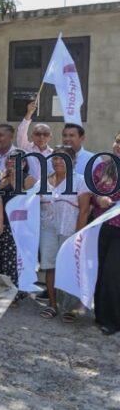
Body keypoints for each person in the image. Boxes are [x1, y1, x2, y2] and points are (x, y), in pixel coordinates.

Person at [38, 146, 92, 322]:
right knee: (50, 266)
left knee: (69, 268)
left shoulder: (80, 181)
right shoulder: (43, 182)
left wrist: (78, 236)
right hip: (48, 230)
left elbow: (84, 211)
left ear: (73, 161)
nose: (58, 161)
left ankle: (70, 307)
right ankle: (52, 305)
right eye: (55, 158)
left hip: (70, 231)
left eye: (63, 158)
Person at [0, 150, 36, 295]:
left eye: (15, 160)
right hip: (2, 224)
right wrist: (6, 180)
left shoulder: (29, 180)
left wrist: (15, 179)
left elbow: (26, 200)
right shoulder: (2, 178)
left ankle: (15, 294)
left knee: (14, 261)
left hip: (19, 227)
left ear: (23, 163)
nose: (11, 162)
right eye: (9, 159)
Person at [90, 131, 120, 335]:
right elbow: (92, 190)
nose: (118, 145)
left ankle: (113, 320)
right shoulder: (102, 167)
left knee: (113, 273)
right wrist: (98, 199)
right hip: (101, 226)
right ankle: (100, 315)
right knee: (100, 271)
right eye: (117, 141)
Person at [17, 100, 53, 181]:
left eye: (45, 134)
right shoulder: (25, 148)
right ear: (32, 136)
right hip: (28, 190)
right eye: (38, 134)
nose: (41, 137)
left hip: (46, 191)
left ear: (50, 137)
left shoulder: (54, 154)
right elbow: (21, 132)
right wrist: (29, 113)